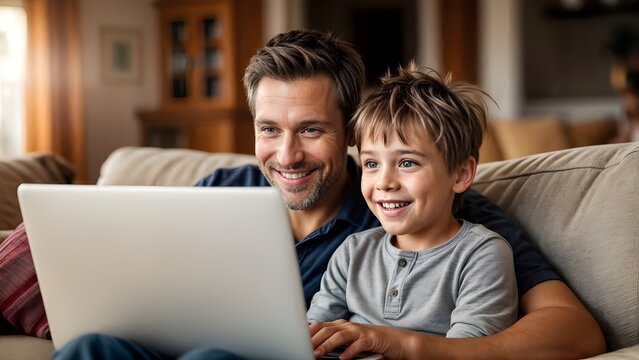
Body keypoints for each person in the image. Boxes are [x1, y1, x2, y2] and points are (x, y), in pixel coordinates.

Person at [0, 29, 604, 359]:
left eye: (311, 130)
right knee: (92, 347)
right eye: (270, 129)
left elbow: (574, 332)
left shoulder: (428, 214)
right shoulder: (220, 191)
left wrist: (404, 343)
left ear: (348, 132)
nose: (286, 156)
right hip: (167, 350)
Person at [307, 63, 518, 359]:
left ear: (460, 174)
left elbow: (466, 353)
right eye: (371, 164)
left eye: (407, 163)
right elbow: (313, 335)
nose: (384, 182)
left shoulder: (481, 254)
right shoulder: (353, 251)